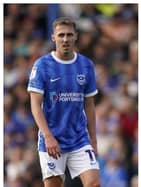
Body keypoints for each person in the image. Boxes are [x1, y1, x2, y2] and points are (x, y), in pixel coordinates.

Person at [27, 17, 100, 187]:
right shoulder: (42, 65)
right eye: (61, 35)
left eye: (69, 35)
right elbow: (35, 105)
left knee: (94, 184)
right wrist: (48, 136)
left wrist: (94, 140)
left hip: (80, 139)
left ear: (76, 36)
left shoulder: (86, 65)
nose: (65, 39)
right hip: (52, 140)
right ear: (53, 38)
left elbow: (89, 105)